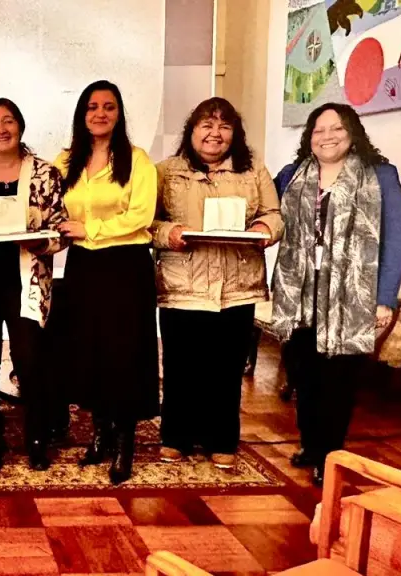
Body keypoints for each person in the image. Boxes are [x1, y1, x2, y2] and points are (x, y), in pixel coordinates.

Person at [272, 103, 401, 486]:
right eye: (319, 129)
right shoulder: (291, 175)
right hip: (299, 292)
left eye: (336, 128)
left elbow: (395, 240)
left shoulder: (380, 176)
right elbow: (263, 211)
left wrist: (385, 298)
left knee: (338, 379)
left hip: (352, 295)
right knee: (303, 372)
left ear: (352, 133)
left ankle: (329, 453)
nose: (327, 136)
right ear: (309, 136)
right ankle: (310, 443)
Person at [152, 97, 283, 468]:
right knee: (180, 367)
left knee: (226, 368)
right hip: (182, 286)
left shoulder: (254, 170)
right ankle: (176, 435)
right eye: (206, 126)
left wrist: (263, 229)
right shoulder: (166, 172)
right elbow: (147, 223)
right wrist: (169, 232)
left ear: (235, 134)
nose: (215, 134)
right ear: (191, 131)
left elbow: (274, 215)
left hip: (236, 286)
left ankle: (221, 438)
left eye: (224, 126)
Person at [53, 80, 159, 485]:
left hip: (125, 267)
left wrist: (88, 228)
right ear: (82, 114)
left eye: (109, 107)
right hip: (83, 267)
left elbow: (140, 217)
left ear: (119, 114)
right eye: (93, 107)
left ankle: (124, 444)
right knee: (91, 352)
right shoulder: (67, 161)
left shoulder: (137, 160)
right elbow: (48, 204)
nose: (100, 113)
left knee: (124, 355)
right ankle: (100, 433)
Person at [0, 98, 66, 471]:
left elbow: (61, 228)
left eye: (8, 121)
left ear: (20, 126)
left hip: (27, 281)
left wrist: (43, 241)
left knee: (30, 362)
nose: (0, 129)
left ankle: (36, 437)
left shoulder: (44, 173)